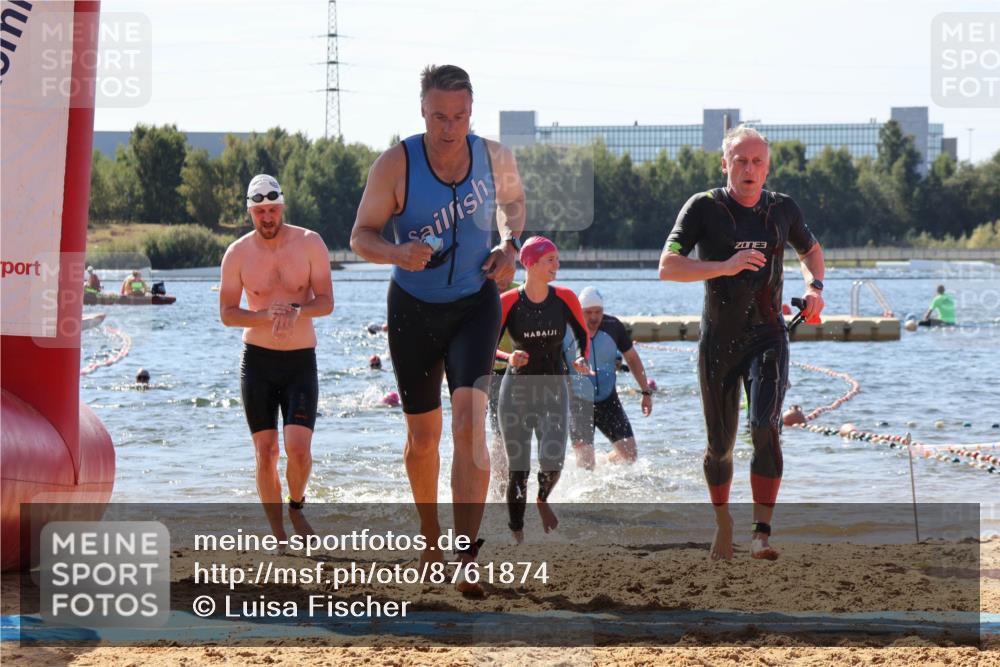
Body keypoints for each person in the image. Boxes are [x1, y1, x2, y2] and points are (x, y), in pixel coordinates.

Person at [349, 65, 525, 590]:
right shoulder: (395, 165)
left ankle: (467, 554)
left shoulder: (495, 158)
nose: (450, 128)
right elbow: (360, 236)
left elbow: (513, 205)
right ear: (422, 112)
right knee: (424, 438)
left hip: (476, 302)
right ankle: (429, 538)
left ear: (472, 112)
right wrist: (397, 251)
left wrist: (511, 246)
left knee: (469, 424)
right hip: (413, 309)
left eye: (460, 116)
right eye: (439, 117)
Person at [658, 125, 825, 562]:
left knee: (765, 425)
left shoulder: (782, 209)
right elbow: (668, 266)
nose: (749, 170)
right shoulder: (704, 208)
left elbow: (811, 250)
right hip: (719, 342)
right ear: (725, 164)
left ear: (767, 167)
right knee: (721, 445)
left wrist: (816, 287)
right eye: (740, 161)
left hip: (768, 334)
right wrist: (726, 265)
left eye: (757, 162)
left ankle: (761, 534)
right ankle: (723, 522)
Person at [220, 173, 334, 543]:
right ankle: (278, 535)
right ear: (250, 212)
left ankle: (296, 504)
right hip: (258, 362)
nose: (267, 217)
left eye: (272, 209)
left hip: (300, 361)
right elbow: (227, 312)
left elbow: (327, 302)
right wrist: (263, 315)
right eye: (260, 212)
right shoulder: (237, 253)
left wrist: (298, 310)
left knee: (298, 451)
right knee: (266, 452)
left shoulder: (309, 242)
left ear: (282, 206)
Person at [495, 236, 590, 544]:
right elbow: (486, 346)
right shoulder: (508, 301)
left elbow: (582, 336)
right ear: (531, 264)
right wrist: (509, 356)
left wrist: (579, 358)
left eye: (557, 260)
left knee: (554, 459)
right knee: (518, 469)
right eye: (551, 260)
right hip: (516, 393)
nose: (557, 266)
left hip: (553, 388)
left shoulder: (565, 298)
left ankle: (542, 498)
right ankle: (517, 534)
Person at [564, 286, 652, 470]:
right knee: (585, 468)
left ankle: (604, 462)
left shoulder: (613, 326)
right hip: (578, 403)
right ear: (579, 311)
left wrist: (645, 391)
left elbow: (633, 359)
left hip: (608, 401)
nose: (594, 317)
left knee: (630, 455)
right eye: (588, 312)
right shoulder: (567, 329)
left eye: (598, 311)